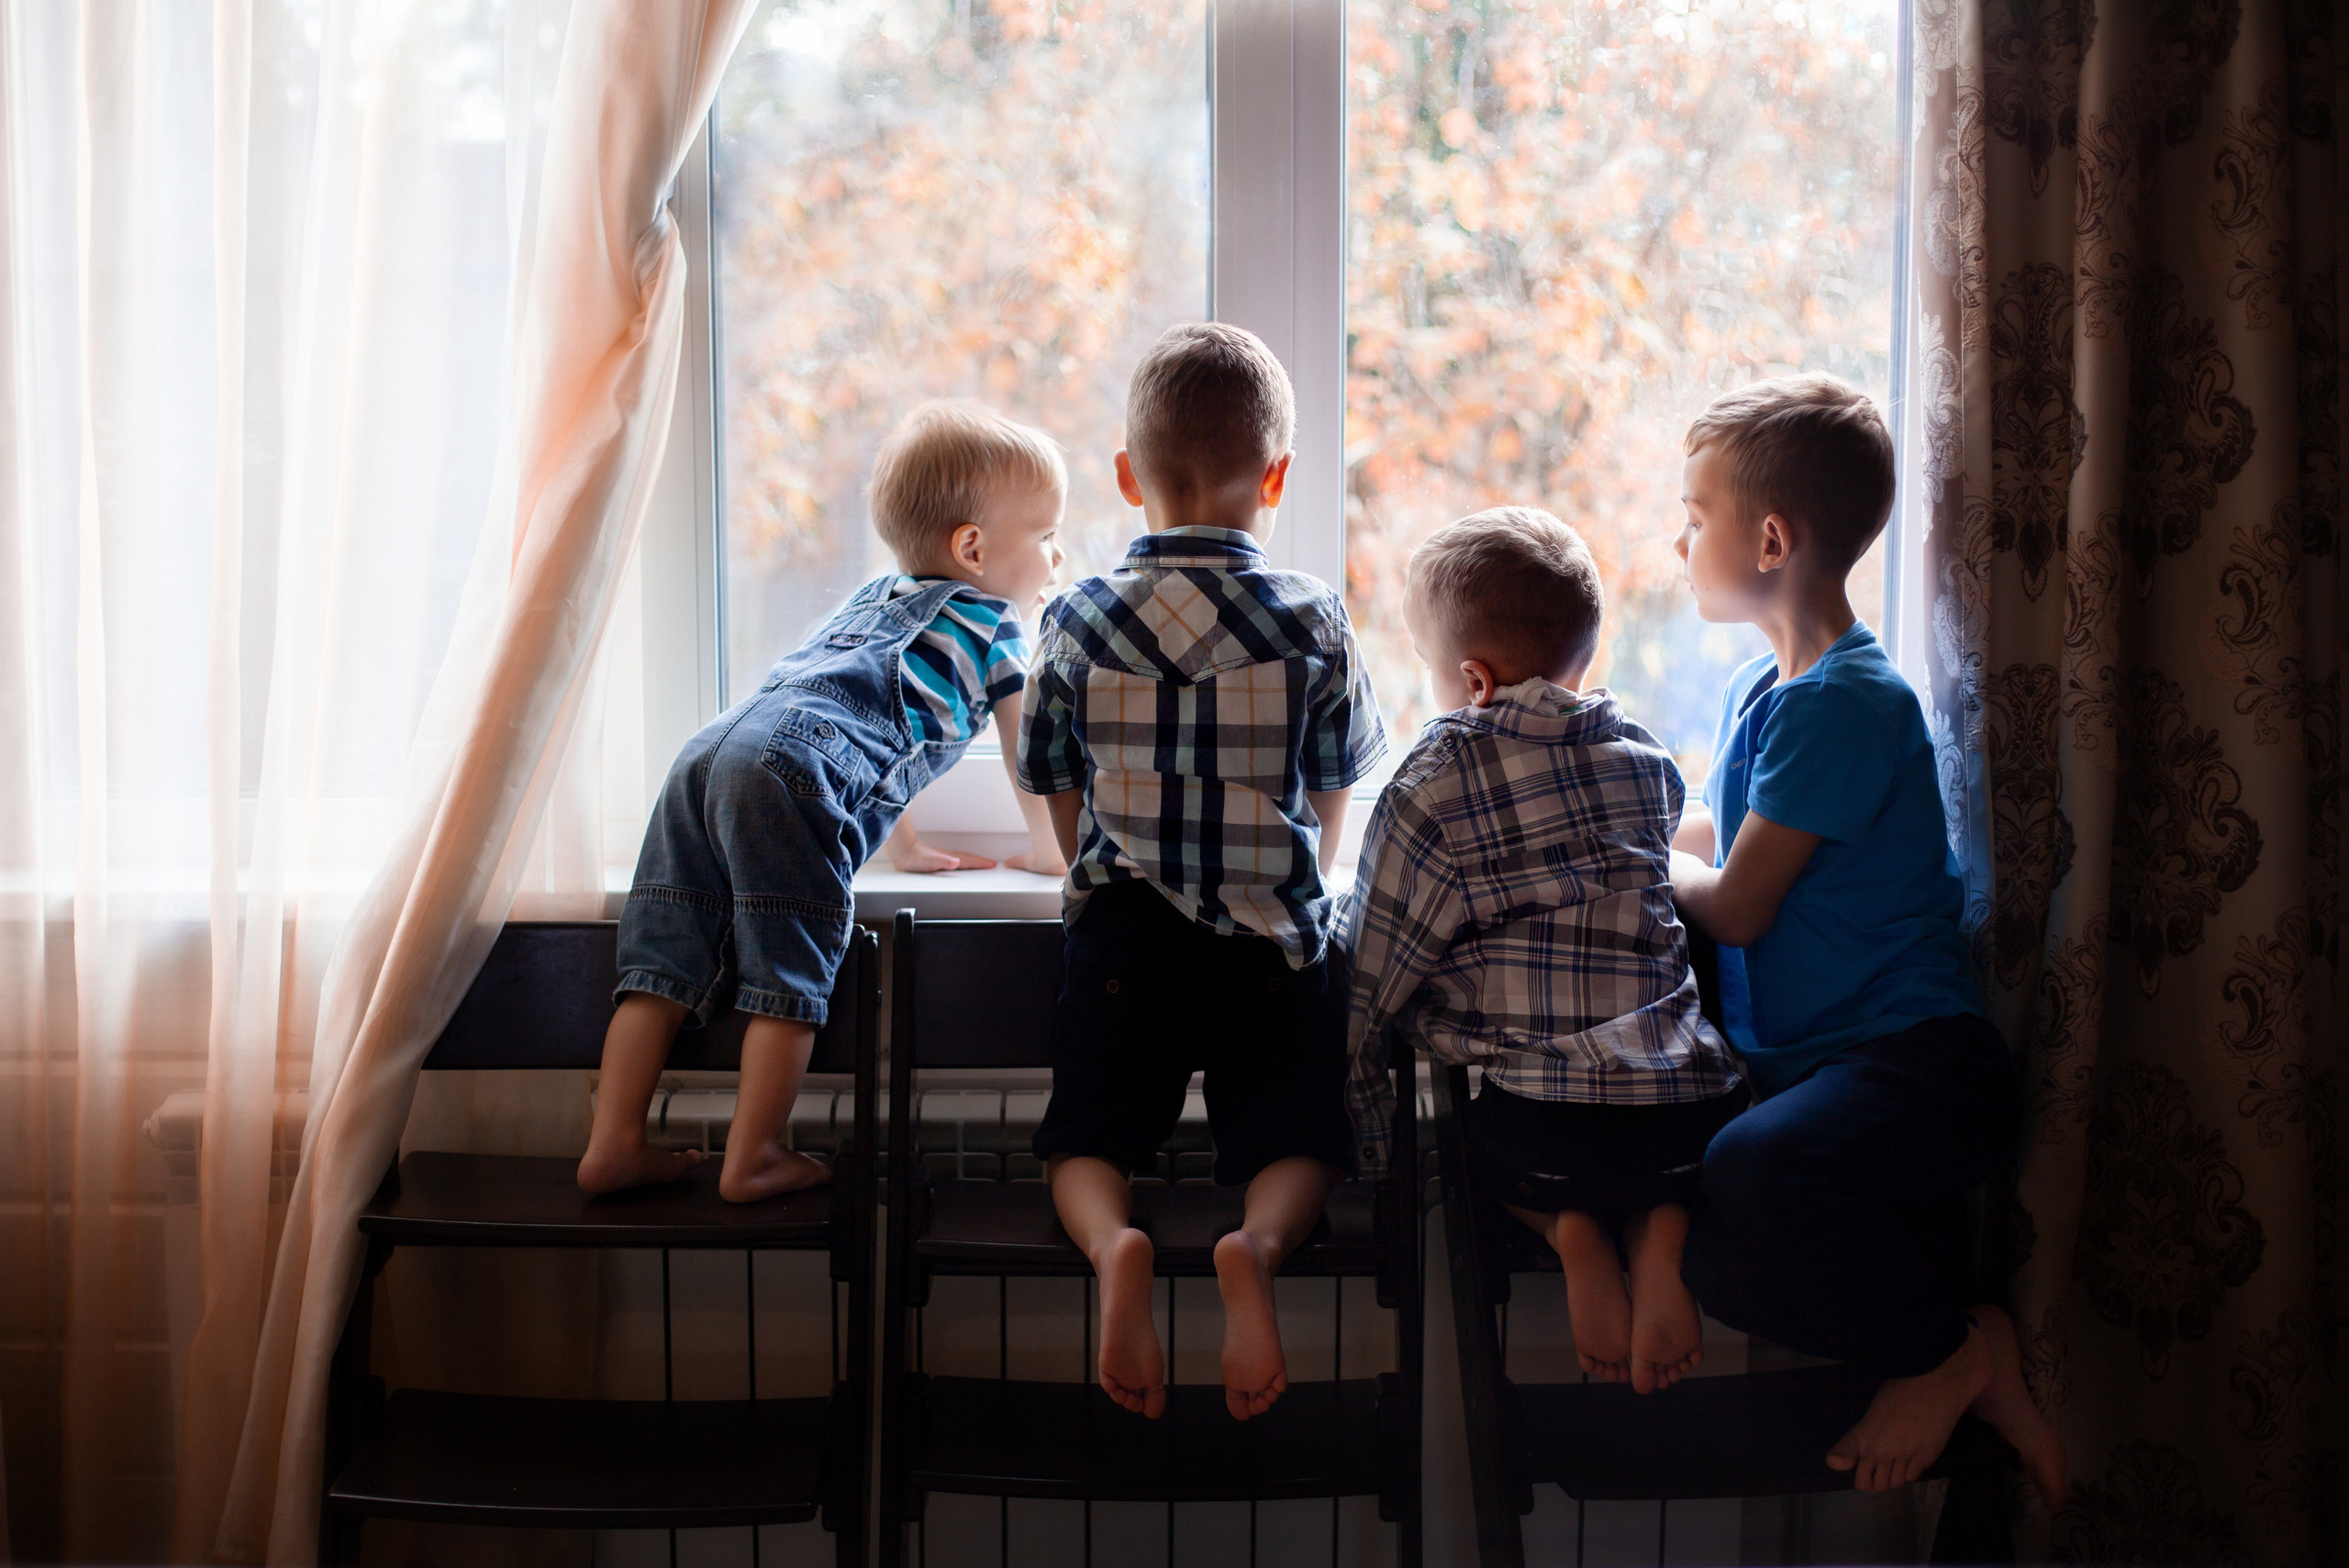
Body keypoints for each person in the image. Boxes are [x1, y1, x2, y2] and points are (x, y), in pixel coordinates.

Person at [1666, 375, 2065, 1505]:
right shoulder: (1763, 690)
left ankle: (1939, 1355)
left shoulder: (1847, 699)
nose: (1678, 537)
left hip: (1918, 1066)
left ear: (1771, 538)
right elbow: (1705, 828)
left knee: (1750, 1163)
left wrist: (1663, 867)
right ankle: (1968, 1338)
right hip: (1829, 1078)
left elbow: (1734, 902)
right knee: (1694, 1245)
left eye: (1695, 514)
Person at [1017, 322, 1386, 1421]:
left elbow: (1052, 783)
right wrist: (1283, 875)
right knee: (1300, 1136)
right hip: (1266, 933)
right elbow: (1332, 789)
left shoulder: (1076, 614)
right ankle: (1256, 1247)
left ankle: (1113, 1242)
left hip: (1126, 923)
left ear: (1129, 477)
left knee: (1084, 1134)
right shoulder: (1312, 613)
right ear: (1275, 477)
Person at [578, 401, 1068, 1202]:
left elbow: (854, 714)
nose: (1058, 554)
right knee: (789, 968)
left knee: (664, 955)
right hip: (787, 773)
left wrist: (900, 847)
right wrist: (1051, 849)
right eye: (1046, 533)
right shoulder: (997, 626)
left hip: (709, 753)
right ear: (974, 549)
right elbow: (1027, 755)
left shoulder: (875, 597)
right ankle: (756, 1152)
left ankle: (613, 1139)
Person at [1338, 506, 1743, 1394]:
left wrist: (1369, 1126)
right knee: (1653, 1169)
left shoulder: (1433, 781)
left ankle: (1570, 1233)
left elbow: (1376, 963)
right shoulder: (1646, 761)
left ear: (1472, 681)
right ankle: (1661, 1230)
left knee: (1473, 1154)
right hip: (1690, 1124)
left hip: (1541, 1138)